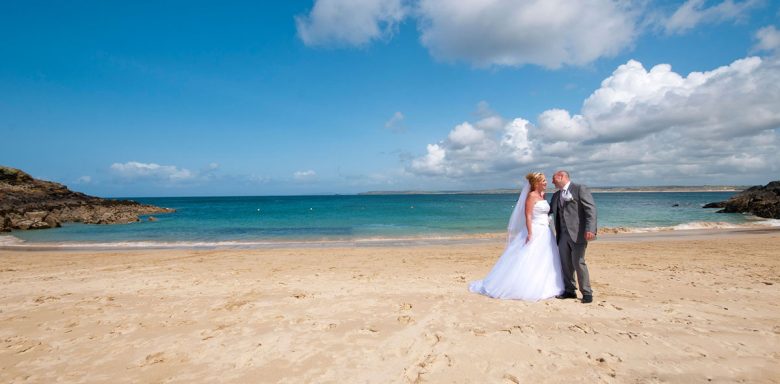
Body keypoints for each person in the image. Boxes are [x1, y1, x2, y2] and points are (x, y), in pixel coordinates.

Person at [469, 172, 564, 301]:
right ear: (536, 183)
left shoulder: (542, 195)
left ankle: (547, 284)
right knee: (530, 257)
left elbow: (546, 212)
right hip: (535, 229)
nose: (546, 183)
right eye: (543, 181)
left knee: (546, 257)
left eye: (545, 180)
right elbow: (528, 215)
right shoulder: (531, 196)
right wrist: (530, 233)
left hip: (546, 231)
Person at [550, 170, 597, 304]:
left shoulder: (579, 189)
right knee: (565, 264)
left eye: (554, 179)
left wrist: (591, 229)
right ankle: (570, 290)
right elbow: (548, 210)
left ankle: (587, 292)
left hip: (578, 234)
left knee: (578, 262)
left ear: (561, 177)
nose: (552, 181)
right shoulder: (556, 195)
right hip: (562, 235)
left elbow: (591, 209)